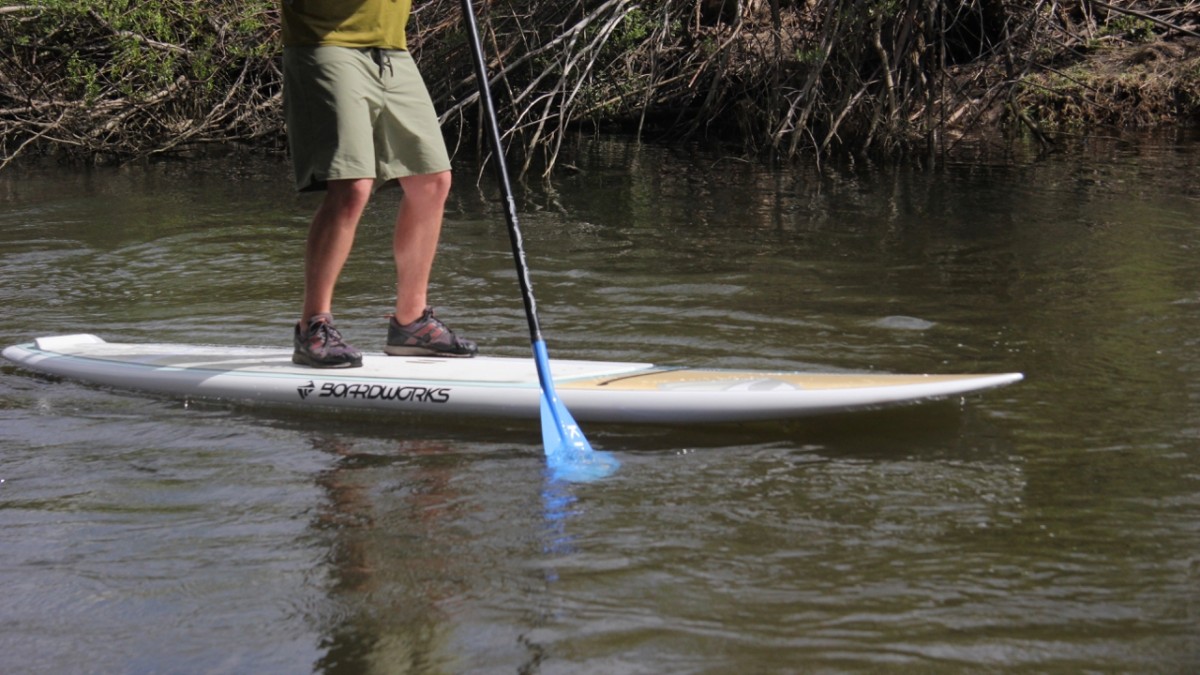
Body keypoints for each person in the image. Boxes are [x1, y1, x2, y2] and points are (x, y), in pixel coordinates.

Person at [281, 0, 477, 368]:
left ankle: (412, 323)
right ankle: (313, 326)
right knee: (353, 184)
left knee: (432, 181)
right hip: (326, 42)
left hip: (392, 51)